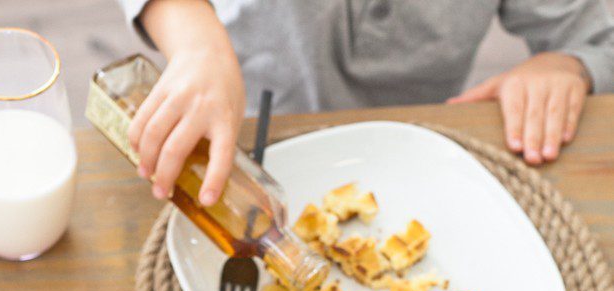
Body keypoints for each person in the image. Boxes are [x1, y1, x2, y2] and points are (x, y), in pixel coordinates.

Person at [119, 0, 614, 207]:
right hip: (238, 133)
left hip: (414, 163)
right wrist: (196, 39)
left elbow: (594, 31)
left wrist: (568, 63)